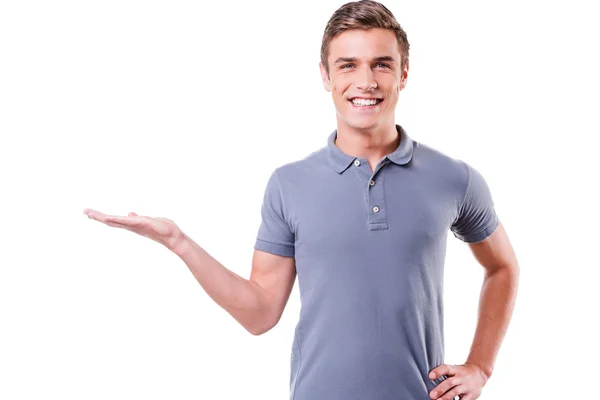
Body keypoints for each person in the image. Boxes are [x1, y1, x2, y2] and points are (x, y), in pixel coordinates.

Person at [83, 1, 519, 399]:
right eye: (347, 65)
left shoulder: (453, 178)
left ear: (404, 73)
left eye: (381, 65)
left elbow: (502, 266)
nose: (365, 81)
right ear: (326, 76)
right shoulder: (288, 185)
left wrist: (480, 366)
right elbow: (259, 314)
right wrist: (178, 241)